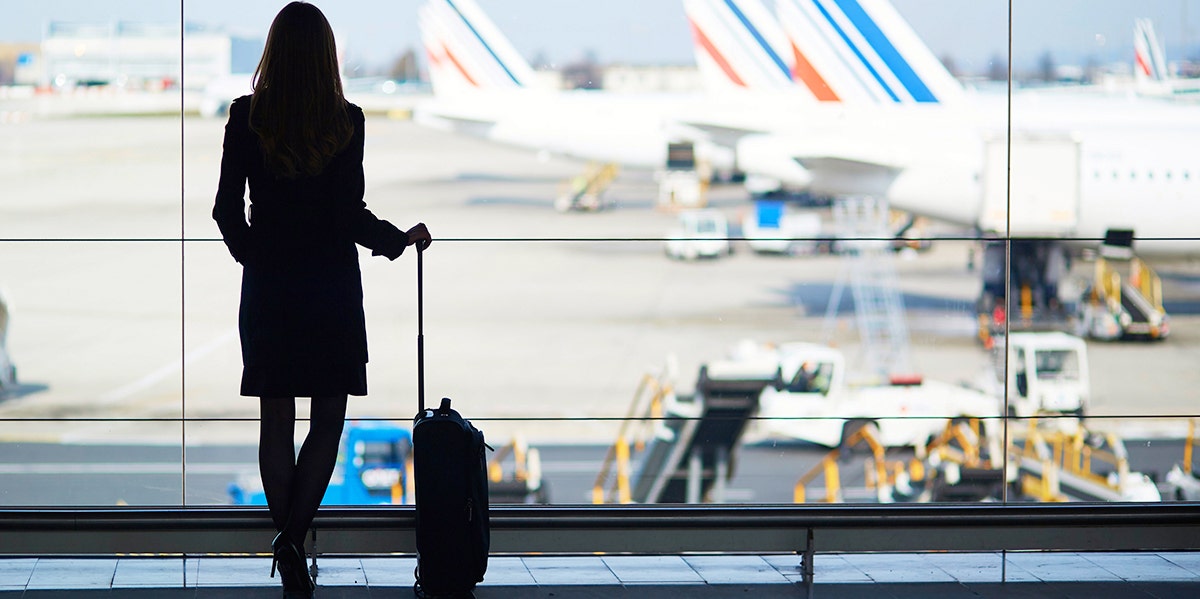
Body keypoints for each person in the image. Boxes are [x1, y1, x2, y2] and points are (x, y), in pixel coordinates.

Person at [212, 3, 431, 597]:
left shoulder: (245, 118)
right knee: (328, 419)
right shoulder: (347, 121)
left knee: (275, 420)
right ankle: (292, 541)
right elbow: (347, 214)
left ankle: (288, 547)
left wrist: (254, 256)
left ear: (274, 52)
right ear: (326, 56)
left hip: (272, 289)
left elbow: (226, 210)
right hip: (330, 288)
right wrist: (396, 241)